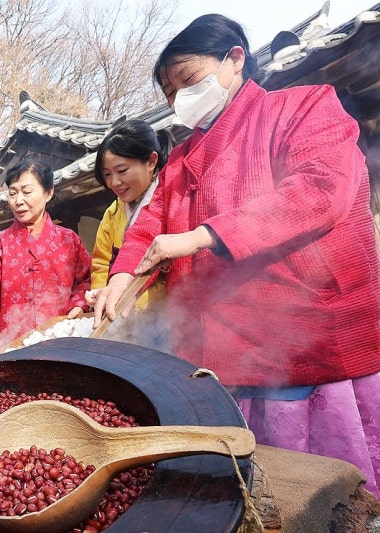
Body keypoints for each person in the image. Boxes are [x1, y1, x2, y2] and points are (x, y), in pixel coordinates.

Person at [89, 14, 380, 495]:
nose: (178, 100)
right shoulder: (183, 158)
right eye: (168, 93)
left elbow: (319, 193)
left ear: (235, 60)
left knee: (323, 495)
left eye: (187, 81)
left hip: (306, 342)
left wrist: (201, 235)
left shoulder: (306, 107)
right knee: (249, 493)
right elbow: (149, 226)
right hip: (220, 352)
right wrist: (121, 276)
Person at [0, 158, 92, 345]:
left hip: (59, 339)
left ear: (48, 193)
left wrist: (79, 305)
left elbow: (85, 281)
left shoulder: (68, 240)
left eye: (27, 191)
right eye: (13, 193)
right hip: (7, 342)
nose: (18, 201)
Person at [88, 118, 173, 350]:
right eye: (107, 174)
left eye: (122, 170)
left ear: (151, 161)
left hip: (167, 321)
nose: (114, 182)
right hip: (121, 319)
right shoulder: (112, 213)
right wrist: (99, 293)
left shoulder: (171, 201)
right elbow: (101, 262)